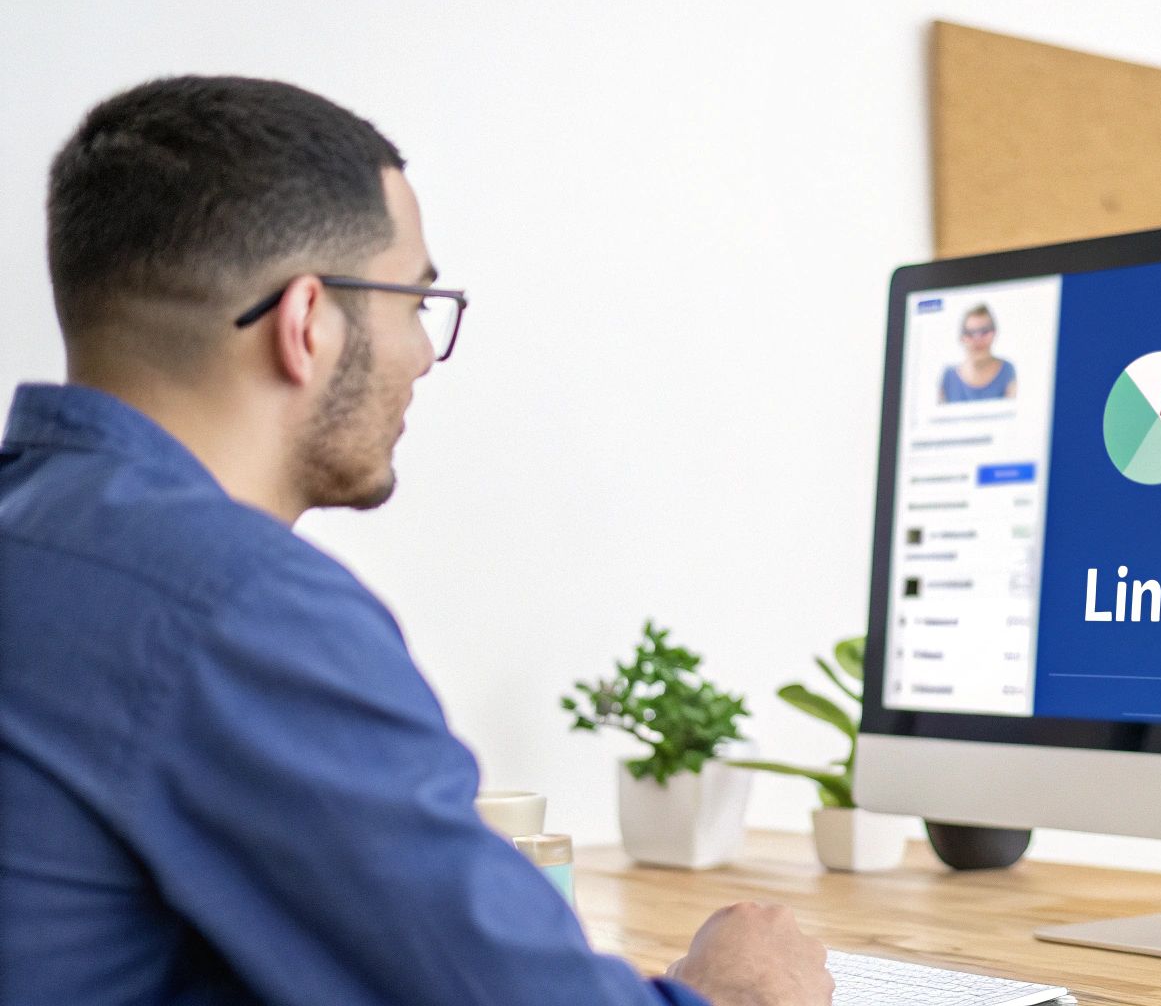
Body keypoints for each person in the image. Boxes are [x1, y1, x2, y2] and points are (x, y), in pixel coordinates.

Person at [0, 76, 833, 1006]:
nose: (424, 354)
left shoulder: (34, 537)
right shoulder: (230, 605)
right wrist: (745, 991)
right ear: (307, 322)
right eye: (414, 303)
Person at [937, 304, 1017, 402]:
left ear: (994, 333)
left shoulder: (1008, 370)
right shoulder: (949, 377)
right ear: (962, 338)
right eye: (970, 333)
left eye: (984, 331)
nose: (977, 339)